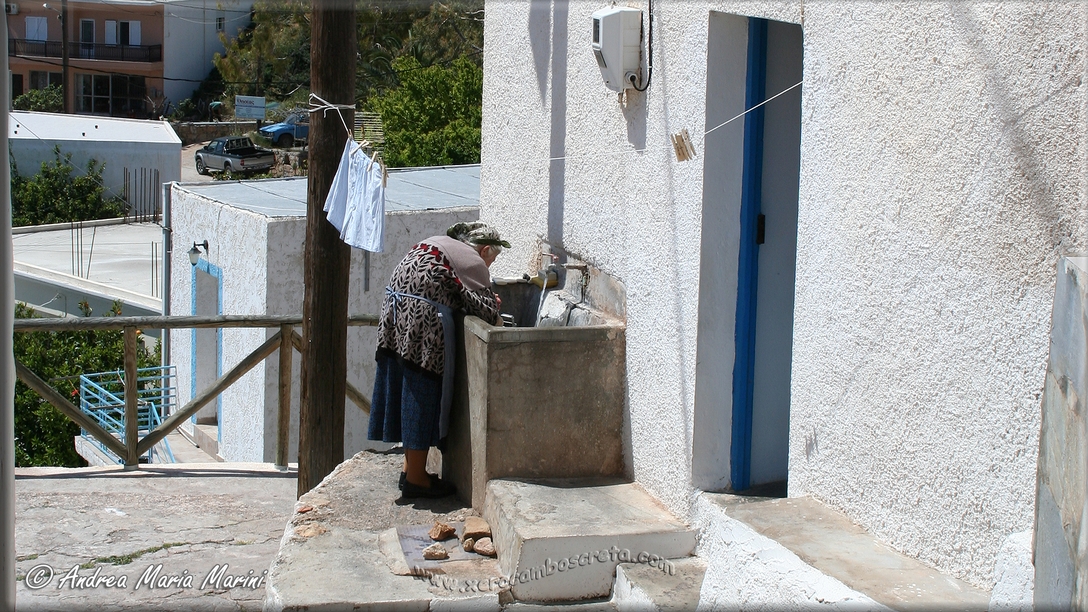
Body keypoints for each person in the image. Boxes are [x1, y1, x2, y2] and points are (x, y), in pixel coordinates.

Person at [368, 222, 509, 498]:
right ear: (484, 250)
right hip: (422, 317)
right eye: (492, 259)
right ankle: (417, 480)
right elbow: (489, 314)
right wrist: (495, 306)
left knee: (405, 382)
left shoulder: (441, 245)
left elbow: (454, 289)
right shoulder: (474, 262)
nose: (490, 267)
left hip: (396, 307)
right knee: (422, 388)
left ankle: (410, 469)